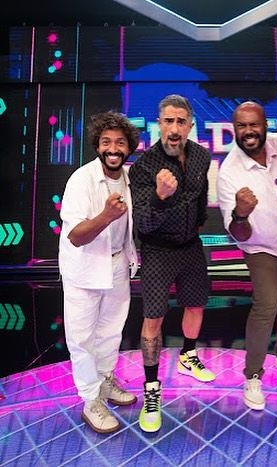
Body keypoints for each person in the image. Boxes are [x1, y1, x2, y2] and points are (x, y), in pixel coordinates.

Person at [129, 94, 215, 434]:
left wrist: (198, 225)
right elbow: (144, 223)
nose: (174, 128)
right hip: (157, 249)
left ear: (190, 125)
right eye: (168, 121)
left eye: (181, 121)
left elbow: (201, 198)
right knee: (154, 317)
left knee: (196, 304)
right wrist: (159, 197)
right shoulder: (143, 167)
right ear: (159, 124)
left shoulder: (201, 156)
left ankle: (188, 356)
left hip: (190, 245)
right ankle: (152, 390)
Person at [216, 101, 277, 411]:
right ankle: (253, 376)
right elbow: (238, 233)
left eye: (253, 124)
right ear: (233, 129)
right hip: (260, 246)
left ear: (264, 124)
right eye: (241, 126)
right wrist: (241, 214)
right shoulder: (229, 172)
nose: (248, 131)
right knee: (267, 303)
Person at [58, 110, 140, 434]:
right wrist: (106, 216)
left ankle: (105, 381)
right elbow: (75, 236)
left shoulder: (129, 178)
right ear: (97, 145)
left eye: (120, 142)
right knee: (82, 338)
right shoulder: (81, 180)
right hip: (84, 269)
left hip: (117, 265)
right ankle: (90, 400)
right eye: (107, 142)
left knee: (110, 332)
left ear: (129, 147)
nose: (113, 148)